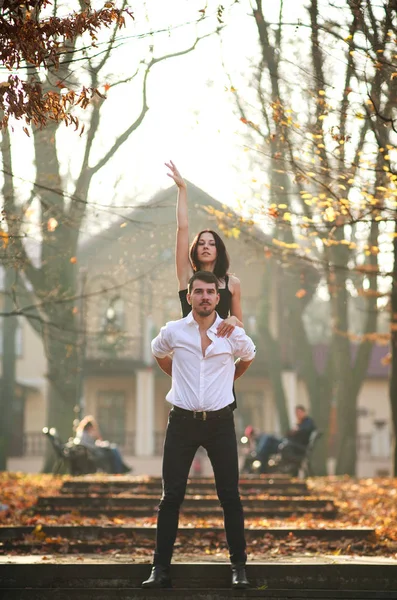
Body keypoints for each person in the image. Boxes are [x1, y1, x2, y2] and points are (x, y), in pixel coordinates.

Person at [142, 271, 256, 590]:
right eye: (199, 292)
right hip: (182, 422)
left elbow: (249, 356)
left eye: (210, 292)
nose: (205, 297)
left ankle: (239, 568)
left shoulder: (229, 332)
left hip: (220, 423)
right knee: (171, 497)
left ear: (218, 298)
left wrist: (228, 379)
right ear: (189, 296)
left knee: (230, 496)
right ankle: (160, 569)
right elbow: (158, 352)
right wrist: (176, 375)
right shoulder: (173, 331)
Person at [166, 160, 243, 337]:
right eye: (201, 243)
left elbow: (240, 327)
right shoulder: (186, 275)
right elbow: (182, 228)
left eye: (211, 243)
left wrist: (233, 320)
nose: (206, 247)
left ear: (219, 250)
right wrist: (182, 189)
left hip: (218, 353)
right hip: (189, 349)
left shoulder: (232, 284)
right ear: (194, 249)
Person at [253, 405, 316, 473]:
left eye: (299, 412)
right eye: (296, 413)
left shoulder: (308, 422)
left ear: (304, 412)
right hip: (289, 444)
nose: (298, 415)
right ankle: (262, 466)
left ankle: (258, 457)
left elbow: (304, 431)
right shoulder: (300, 423)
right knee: (267, 442)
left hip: (293, 446)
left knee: (268, 438)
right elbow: (288, 434)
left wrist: (297, 430)